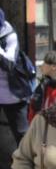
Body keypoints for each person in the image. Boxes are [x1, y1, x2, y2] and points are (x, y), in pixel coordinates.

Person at [0, 8, 29, 145]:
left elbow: (9, 64)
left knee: (22, 134)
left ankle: (26, 165)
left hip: (12, 94)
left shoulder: (9, 36)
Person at [28, 50, 56, 122]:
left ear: (54, 66)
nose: (41, 65)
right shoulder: (43, 86)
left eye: (44, 62)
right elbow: (33, 108)